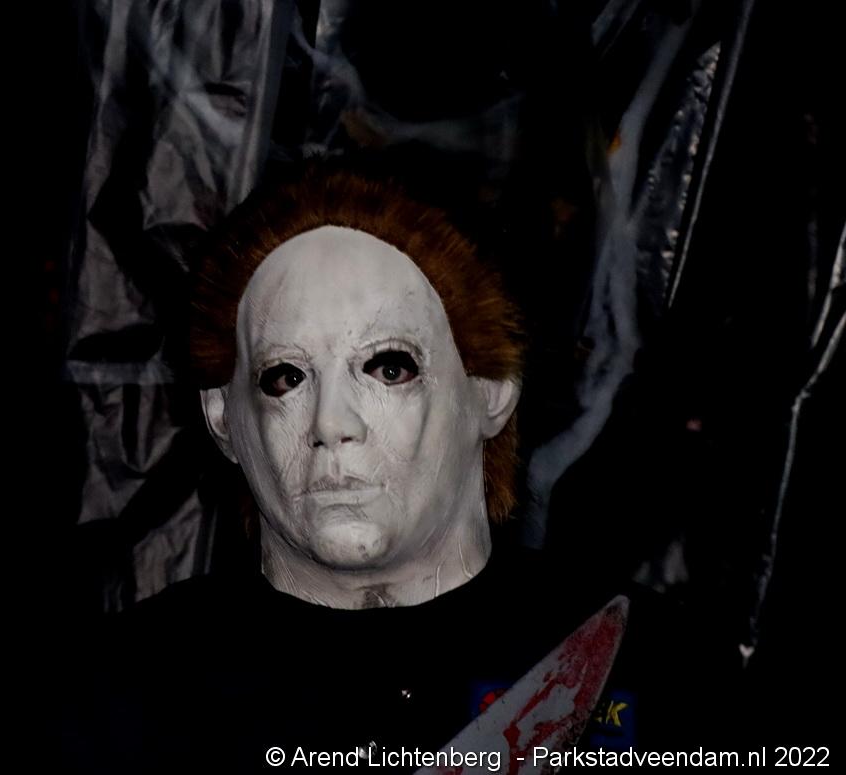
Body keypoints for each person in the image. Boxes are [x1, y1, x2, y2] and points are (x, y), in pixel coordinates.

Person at [61, 161, 691, 773]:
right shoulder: (125, 697)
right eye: (285, 378)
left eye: (390, 368)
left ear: (490, 390)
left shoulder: (650, 670)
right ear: (222, 418)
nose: (331, 422)